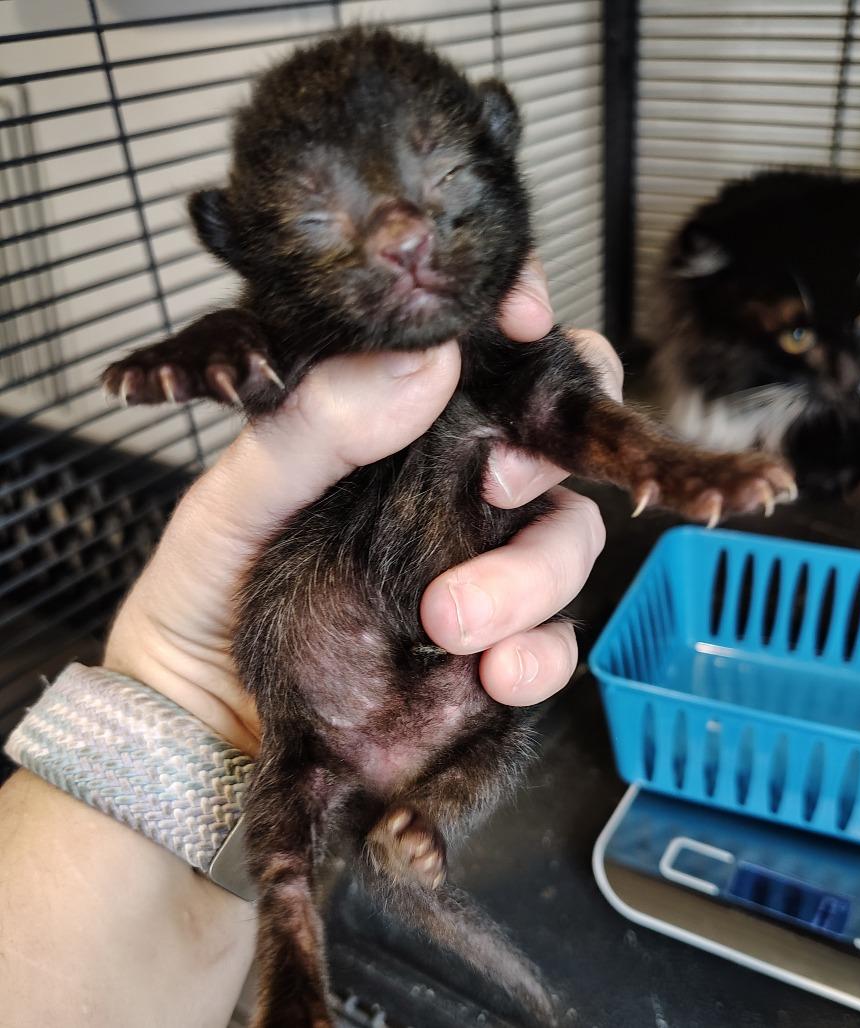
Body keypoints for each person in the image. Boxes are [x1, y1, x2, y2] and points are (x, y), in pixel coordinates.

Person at [0, 258, 623, 1027]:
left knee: (481, 715)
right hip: (323, 639)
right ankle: (304, 978)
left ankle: (378, 879)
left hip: (378, 651)